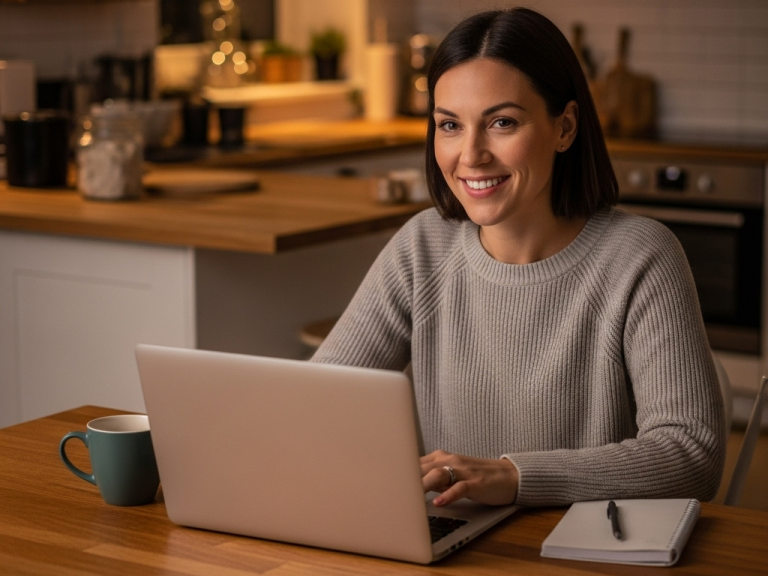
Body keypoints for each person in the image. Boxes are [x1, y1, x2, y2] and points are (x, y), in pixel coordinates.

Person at [311, 8, 725, 508]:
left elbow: (690, 455)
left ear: (565, 127)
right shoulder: (421, 247)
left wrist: (515, 477)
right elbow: (319, 402)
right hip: (451, 544)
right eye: (449, 125)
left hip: (581, 553)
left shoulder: (639, 257)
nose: (471, 154)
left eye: (501, 122)